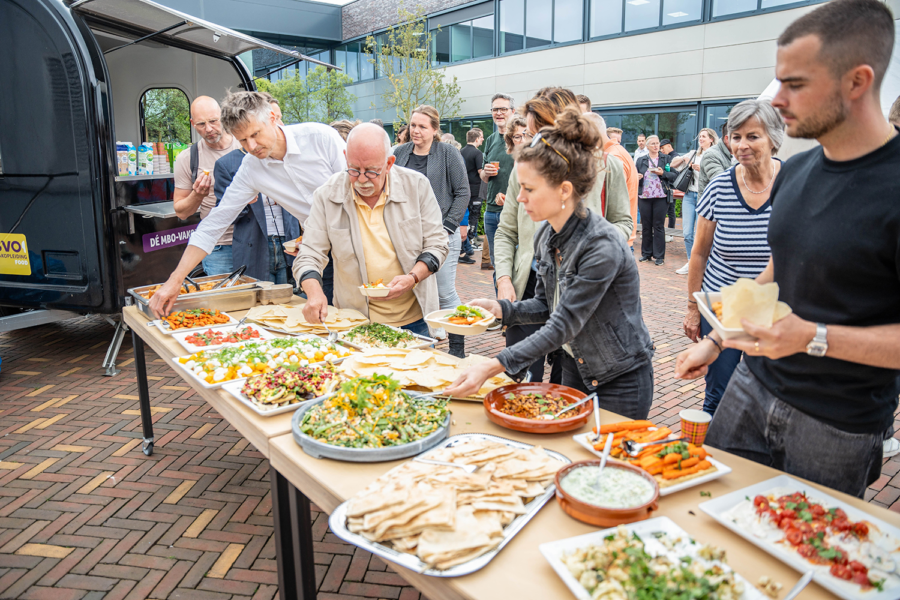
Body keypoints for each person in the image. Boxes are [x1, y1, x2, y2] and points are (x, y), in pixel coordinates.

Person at [675, 0, 900, 498]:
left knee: (804, 539)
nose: (776, 100)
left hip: (837, 421)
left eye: (794, 84)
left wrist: (814, 338)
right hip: (751, 387)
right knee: (713, 507)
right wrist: (719, 340)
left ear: (857, 81)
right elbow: (778, 272)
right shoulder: (796, 172)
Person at [444, 107, 654, 419]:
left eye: (529, 189)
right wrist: (502, 309)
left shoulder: (601, 244)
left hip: (619, 378)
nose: (520, 198)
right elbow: (546, 304)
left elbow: (564, 322)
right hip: (575, 366)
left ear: (564, 190)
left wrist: (493, 365)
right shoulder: (547, 234)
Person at [148, 91, 346, 317]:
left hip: (356, 238)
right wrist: (175, 280)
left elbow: (356, 189)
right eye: (242, 140)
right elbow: (214, 224)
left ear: (272, 118)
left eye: (255, 134)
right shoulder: (251, 167)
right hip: (318, 252)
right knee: (327, 318)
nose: (251, 146)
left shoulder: (321, 137)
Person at [495, 88, 632, 383]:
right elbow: (506, 230)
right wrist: (504, 278)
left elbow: (623, 223)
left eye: (540, 133)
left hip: (579, 288)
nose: (533, 142)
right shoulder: (524, 168)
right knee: (520, 382)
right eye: (529, 134)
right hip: (532, 285)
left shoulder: (606, 166)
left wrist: (592, 251)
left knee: (565, 385)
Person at [294, 124, 448, 337]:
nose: (362, 180)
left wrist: (412, 278)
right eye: (354, 170)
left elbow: (437, 244)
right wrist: (314, 292)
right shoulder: (327, 195)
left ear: (389, 164)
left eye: (371, 171)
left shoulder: (416, 186)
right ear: (345, 158)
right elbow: (309, 254)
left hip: (415, 320)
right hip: (354, 321)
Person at [681, 100, 783, 415]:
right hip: (721, 305)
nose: (742, 145)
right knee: (718, 395)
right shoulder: (720, 187)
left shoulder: (793, 184)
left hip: (771, 308)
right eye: (736, 137)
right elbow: (699, 252)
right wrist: (693, 308)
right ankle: (710, 445)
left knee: (765, 395)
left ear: (773, 139)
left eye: (753, 136)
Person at [393, 105, 470, 357]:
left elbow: (463, 192)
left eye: (422, 126)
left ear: (435, 129)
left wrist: (448, 226)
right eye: (413, 125)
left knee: (445, 293)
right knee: (415, 290)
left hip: (441, 234)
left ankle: (457, 350)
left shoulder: (447, 153)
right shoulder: (400, 152)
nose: (416, 130)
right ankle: (422, 347)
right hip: (408, 236)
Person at [213, 94, 300, 285]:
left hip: (289, 240)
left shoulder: (288, 154)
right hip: (255, 245)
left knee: (295, 292)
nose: (279, 124)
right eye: (245, 139)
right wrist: (245, 200)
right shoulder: (227, 164)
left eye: (279, 118)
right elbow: (225, 215)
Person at [173, 96, 242, 276]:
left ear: (223, 116)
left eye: (213, 121)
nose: (209, 129)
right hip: (218, 247)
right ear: (192, 124)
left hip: (253, 241)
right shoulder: (187, 158)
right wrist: (197, 195)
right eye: (201, 124)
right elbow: (181, 212)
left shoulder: (245, 145)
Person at [671, 127, 719, 274]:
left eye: (704, 136)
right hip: (689, 196)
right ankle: (691, 262)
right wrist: (684, 159)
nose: (701, 139)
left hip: (704, 197)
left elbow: (719, 176)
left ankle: (705, 264)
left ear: (711, 139)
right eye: (700, 136)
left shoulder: (715, 155)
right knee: (687, 233)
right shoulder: (693, 153)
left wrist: (701, 169)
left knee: (702, 235)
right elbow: (673, 164)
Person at [589, 114, 638, 253]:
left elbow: (613, 205)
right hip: (616, 240)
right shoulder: (616, 152)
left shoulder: (612, 157)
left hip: (613, 244)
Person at [480, 93, 516, 274]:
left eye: (503, 109)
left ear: (513, 111)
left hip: (514, 210)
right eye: (495, 109)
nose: (499, 113)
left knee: (516, 265)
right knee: (497, 266)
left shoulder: (520, 139)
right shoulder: (490, 139)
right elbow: (483, 177)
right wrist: (485, 173)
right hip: (491, 211)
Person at [635, 135, 676, 265]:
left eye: (657, 143)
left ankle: (659, 256)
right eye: (652, 143)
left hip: (661, 196)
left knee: (658, 226)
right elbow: (634, 176)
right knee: (646, 226)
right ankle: (646, 254)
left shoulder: (666, 159)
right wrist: (637, 177)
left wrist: (663, 173)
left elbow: (674, 175)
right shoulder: (640, 160)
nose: (656, 145)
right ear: (647, 146)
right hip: (644, 196)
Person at [459, 128, 485, 265]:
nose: (483, 140)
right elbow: (481, 172)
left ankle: (465, 246)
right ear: (476, 139)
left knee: (465, 217)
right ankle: (470, 243)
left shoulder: (460, 152)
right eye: (481, 137)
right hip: (475, 190)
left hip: (463, 190)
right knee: (474, 217)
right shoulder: (477, 153)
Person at [698, 123, 733, 197]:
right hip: (715, 202)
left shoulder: (737, 154)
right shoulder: (711, 154)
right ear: (727, 139)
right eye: (738, 138)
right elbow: (722, 184)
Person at [659, 139, 679, 230]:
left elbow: (675, 174)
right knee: (667, 210)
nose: (661, 150)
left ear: (669, 146)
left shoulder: (675, 157)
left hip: (672, 186)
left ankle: (671, 232)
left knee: (670, 210)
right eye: (660, 149)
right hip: (667, 185)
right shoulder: (667, 157)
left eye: (663, 148)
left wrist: (663, 174)